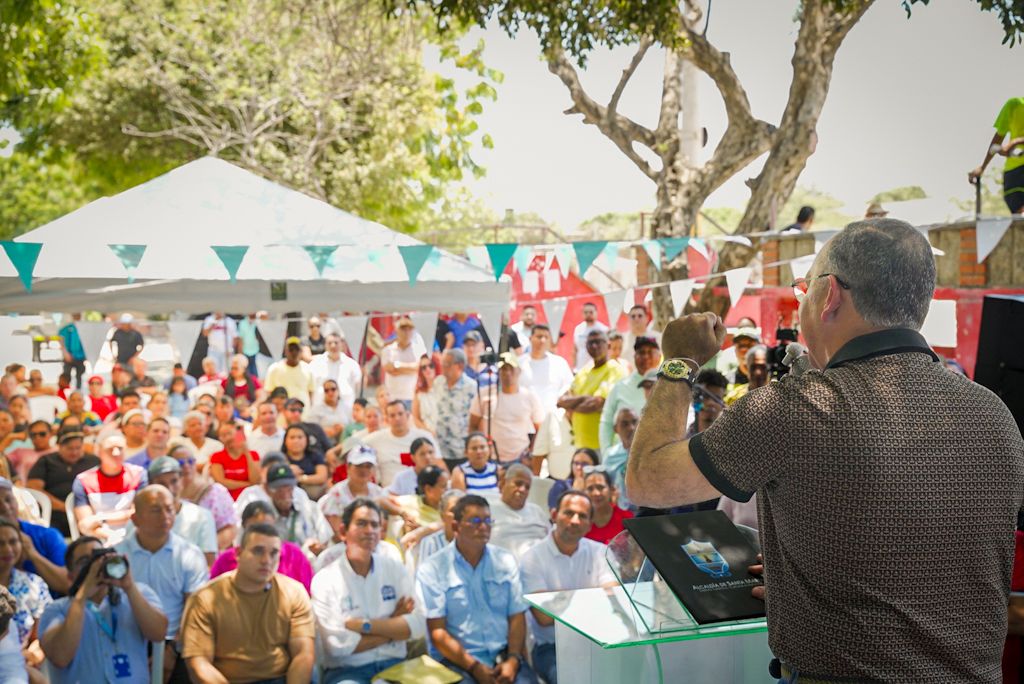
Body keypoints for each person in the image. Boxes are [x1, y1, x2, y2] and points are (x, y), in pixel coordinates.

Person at [628, 218, 1024, 680]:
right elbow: (927, 560)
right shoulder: (995, 414)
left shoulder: (796, 407)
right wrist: (807, 581)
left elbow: (647, 479)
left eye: (804, 289)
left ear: (830, 294)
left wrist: (679, 362)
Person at [416, 494, 537, 684]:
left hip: (504, 657)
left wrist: (513, 660)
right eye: (475, 521)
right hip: (458, 662)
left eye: (488, 521)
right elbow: (438, 633)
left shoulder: (505, 561)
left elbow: (516, 616)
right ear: (455, 526)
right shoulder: (433, 568)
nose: (483, 527)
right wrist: (474, 667)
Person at [180, 522, 315, 683]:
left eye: (274, 553)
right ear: (238, 553)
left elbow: (303, 654)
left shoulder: (294, 592)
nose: (266, 560)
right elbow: (199, 662)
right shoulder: (205, 598)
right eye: (258, 551)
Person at [312, 498, 426, 684]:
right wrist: (394, 626)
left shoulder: (394, 569)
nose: (369, 530)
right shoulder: (325, 580)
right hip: (348, 671)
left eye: (375, 525)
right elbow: (337, 646)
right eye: (361, 523)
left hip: (396, 666)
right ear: (343, 532)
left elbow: (418, 625)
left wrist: (363, 626)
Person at [39, 536, 168, 682]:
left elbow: (159, 634)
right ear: (70, 576)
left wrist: (129, 587)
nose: (94, 566)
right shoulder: (56, 609)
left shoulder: (138, 593)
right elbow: (60, 657)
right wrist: (82, 596)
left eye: (99, 557)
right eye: (84, 562)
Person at [521, 489, 616, 683]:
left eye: (582, 516)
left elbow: (613, 600)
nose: (575, 521)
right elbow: (544, 617)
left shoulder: (601, 552)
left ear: (590, 524)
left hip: (597, 641)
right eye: (568, 513)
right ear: (554, 515)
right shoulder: (532, 558)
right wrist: (594, 598)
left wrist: (558, 601)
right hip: (551, 647)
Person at [115, 485, 207, 682]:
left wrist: (173, 650)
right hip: (125, 640)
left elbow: (194, 611)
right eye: (156, 510)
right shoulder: (117, 555)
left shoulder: (190, 554)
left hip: (176, 640)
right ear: (135, 518)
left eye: (169, 509)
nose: (165, 516)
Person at [211, 500, 313, 593]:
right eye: (254, 529)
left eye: (267, 527)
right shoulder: (226, 560)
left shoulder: (294, 555)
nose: (266, 560)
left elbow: (307, 593)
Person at [242, 459, 332, 557]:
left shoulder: (309, 508)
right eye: (279, 490)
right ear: (267, 490)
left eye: (289, 489)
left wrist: (318, 547)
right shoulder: (264, 517)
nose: (285, 495)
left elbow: (326, 539)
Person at [140, 457, 219, 565]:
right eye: (162, 484)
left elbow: (209, 564)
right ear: (151, 485)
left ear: (181, 481)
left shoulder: (202, 517)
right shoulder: (140, 519)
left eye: (174, 481)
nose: (169, 488)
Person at [72, 434, 148, 544]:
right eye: (110, 449)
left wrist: (101, 519)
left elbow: (138, 514)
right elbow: (85, 524)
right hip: (99, 538)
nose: (116, 453)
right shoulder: (83, 480)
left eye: (120, 448)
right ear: (99, 452)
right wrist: (110, 535)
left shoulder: (139, 474)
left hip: (134, 535)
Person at [559, 330, 627, 450]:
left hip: (604, 446)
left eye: (598, 342)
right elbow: (561, 401)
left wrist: (572, 405)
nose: (594, 346)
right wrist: (586, 398)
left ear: (608, 345)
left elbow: (596, 403)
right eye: (590, 343)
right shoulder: (583, 371)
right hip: (580, 445)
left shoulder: (615, 370)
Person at [469, 354, 543, 465]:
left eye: (511, 369)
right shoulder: (485, 394)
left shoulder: (529, 397)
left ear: (519, 371)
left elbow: (540, 429)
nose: (507, 373)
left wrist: (531, 452)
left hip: (520, 457)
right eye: (503, 369)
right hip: (491, 458)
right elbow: (473, 425)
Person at [26, 429, 99, 536]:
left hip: (88, 511)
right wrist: (64, 507)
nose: (74, 452)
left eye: (78, 448)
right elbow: (34, 488)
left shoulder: (93, 461)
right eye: (70, 448)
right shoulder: (46, 461)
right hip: (54, 513)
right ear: (60, 447)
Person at [0, 517, 50, 669]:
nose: (8, 549)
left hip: (21, 666)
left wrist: (33, 654)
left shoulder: (34, 584)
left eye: (13, 542)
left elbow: (42, 636)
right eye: (0, 543)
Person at [598, 336, 661, 451]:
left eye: (650, 352)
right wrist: (606, 451)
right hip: (625, 454)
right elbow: (606, 421)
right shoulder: (620, 387)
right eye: (641, 353)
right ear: (634, 357)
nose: (646, 357)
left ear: (659, 356)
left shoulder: (669, 385)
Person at [969, 96, 1024, 215]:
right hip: (1014, 171)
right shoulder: (1014, 104)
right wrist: (983, 167)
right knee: (1017, 219)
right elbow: (998, 138)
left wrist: (1016, 142)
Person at [319, 445, 388, 537]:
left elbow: (382, 527)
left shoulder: (378, 492)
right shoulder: (336, 493)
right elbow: (337, 532)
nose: (363, 470)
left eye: (368, 466)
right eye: (359, 466)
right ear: (348, 467)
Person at [363, 400, 431, 487]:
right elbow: (353, 447)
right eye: (392, 415)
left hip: (419, 489)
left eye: (400, 414)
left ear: (407, 415)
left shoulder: (424, 437)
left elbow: (437, 462)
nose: (397, 418)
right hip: (388, 490)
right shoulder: (375, 438)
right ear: (387, 419)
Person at [488, 463, 549, 560]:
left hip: (539, 565)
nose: (522, 489)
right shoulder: (489, 510)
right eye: (518, 483)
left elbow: (551, 540)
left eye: (527, 487)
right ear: (503, 483)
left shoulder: (537, 511)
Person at [432, 348, 478, 468]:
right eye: (442, 364)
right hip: (439, 448)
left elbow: (476, 418)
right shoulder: (437, 383)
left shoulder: (471, 387)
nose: (443, 367)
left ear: (460, 366)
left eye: (447, 364)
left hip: (460, 448)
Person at [308, 333, 361, 414]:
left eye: (336, 343)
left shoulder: (352, 364)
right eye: (330, 343)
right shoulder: (315, 364)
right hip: (320, 412)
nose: (333, 346)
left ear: (342, 344)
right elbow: (309, 388)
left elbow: (357, 388)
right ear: (325, 345)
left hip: (345, 412)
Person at [208, 421, 261, 501]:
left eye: (229, 433)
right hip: (226, 498)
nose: (228, 438)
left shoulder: (253, 455)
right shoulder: (217, 457)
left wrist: (247, 453)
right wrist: (248, 484)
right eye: (223, 435)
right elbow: (221, 482)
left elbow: (255, 480)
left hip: (250, 498)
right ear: (220, 439)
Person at [380, 316, 426, 405]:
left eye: (410, 329)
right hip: (392, 396)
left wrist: (396, 365)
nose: (407, 332)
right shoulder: (388, 350)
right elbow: (389, 369)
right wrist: (410, 368)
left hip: (412, 396)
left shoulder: (419, 349)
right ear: (397, 330)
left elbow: (419, 368)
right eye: (403, 329)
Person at [582, 469, 632, 544]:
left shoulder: (626, 518)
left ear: (611, 489)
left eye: (600, 487)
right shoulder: (580, 521)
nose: (596, 493)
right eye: (590, 489)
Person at [281, 423, 329, 499]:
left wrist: (300, 478)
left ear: (307, 440)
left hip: (314, 497)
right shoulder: (280, 458)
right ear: (285, 440)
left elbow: (322, 477)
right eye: (292, 437)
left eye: (300, 437)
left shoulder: (315, 455)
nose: (296, 441)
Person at [265, 336, 316, 407]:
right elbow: (269, 393)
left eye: (297, 349)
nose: (294, 352)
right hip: (282, 412)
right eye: (291, 350)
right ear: (285, 351)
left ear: (301, 351)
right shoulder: (274, 369)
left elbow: (311, 392)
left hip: (303, 411)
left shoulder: (308, 369)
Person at [571, 302, 609, 371]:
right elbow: (575, 349)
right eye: (586, 312)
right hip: (581, 368)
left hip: (598, 369)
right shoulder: (578, 329)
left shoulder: (603, 329)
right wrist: (573, 367)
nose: (588, 314)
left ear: (596, 312)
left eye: (591, 312)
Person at [411, 353, 440, 433]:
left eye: (431, 366)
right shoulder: (419, 393)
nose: (428, 369)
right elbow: (416, 418)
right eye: (424, 367)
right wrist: (428, 432)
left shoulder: (445, 388)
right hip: (426, 434)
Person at [58, 314, 87, 389]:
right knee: (66, 376)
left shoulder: (84, 328)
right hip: (69, 355)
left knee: (79, 377)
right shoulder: (68, 327)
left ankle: (78, 391)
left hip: (80, 357)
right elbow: (60, 337)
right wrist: (65, 352)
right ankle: (64, 391)